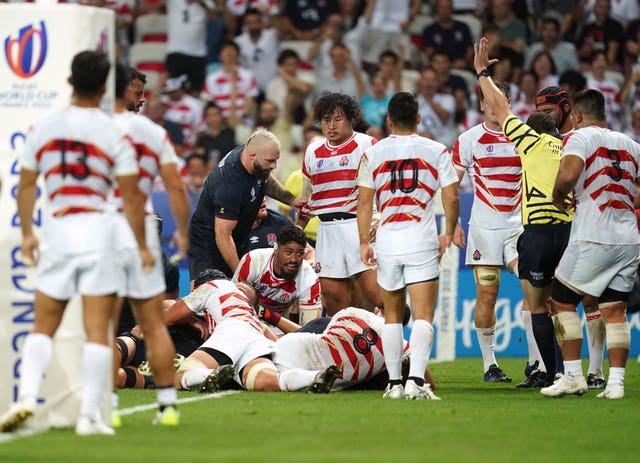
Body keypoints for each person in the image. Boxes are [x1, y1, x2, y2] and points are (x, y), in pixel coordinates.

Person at [0, 51, 150, 436]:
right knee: (98, 330)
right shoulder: (115, 130)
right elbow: (132, 197)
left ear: (69, 80)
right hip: (99, 233)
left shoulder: (44, 125)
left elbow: (28, 182)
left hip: (59, 232)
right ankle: (87, 416)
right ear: (104, 87)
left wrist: (30, 234)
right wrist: (141, 244)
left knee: (43, 324)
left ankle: (25, 399)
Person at [474, 38, 572, 388]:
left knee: (537, 305)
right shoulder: (570, 146)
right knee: (568, 305)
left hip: (538, 231)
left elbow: (501, 110)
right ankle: (579, 372)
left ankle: (552, 372)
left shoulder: (528, 142)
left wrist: (483, 73)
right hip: (571, 232)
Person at [357, 92, 459, 400]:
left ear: (388, 120)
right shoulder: (437, 150)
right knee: (423, 314)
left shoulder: (373, 153)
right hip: (421, 239)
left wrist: (364, 241)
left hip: (387, 240)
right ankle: (416, 380)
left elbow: (363, 201)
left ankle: (395, 384)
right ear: (418, 119)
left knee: (391, 315)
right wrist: (449, 232)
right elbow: (452, 197)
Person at [541, 89, 640, 399]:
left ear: (578, 115)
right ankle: (616, 384)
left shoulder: (579, 138)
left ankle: (572, 376)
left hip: (593, 234)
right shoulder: (631, 144)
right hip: (628, 238)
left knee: (561, 300)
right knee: (614, 310)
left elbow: (569, 174)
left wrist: (558, 196)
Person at [111, 64, 191, 426]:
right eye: (138, 91)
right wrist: (183, 232)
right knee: (154, 324)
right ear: (123, 89)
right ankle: (168, 406)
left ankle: (105, 408)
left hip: (106, 228)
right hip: (139, 229)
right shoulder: (152, 132)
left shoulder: (89, 127)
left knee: (101, 324)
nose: (143, 98)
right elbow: (174, 185)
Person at [535, 85, 607, 389]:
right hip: (563, 227)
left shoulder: (580, 140)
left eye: (548, 111)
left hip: (585, 226)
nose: (544, 118)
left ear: (567, 110)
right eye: (539, 112)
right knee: (553, 300)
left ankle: (593, 371)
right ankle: (552, 368)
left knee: (591, 301)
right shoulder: (543, 143)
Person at [452, 74, 522, 383]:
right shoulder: (469, 139)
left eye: (501, 101)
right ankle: (490, 364)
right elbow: (450, 185)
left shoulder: (524, 136)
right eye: (490, 101)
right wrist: (452, 221)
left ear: (507, 104)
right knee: (488, 294)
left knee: (536, 292)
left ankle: (538, 363)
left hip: (521, 227)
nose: (495, 107)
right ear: (482, 104)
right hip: (484, 229)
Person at [165, 269, 339, 393]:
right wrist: (192, 319)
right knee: (264, 380)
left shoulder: (210, 288)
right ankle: (314, 377)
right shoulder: (247, 308)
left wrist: (138, 330)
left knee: (182, 374)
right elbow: (273, 340)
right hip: (254, 337)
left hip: (230, 331)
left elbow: (168, 316)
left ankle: (210, 374)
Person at [298, 92, 382, 316]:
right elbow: (308, 197)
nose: (331, 125)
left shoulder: (368, 144)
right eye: (326, 120)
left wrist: (380, 216)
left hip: (360, 226)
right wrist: (297, 230)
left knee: (376, 295)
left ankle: (397, 347)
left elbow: (385, 186)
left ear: (351, 119)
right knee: (335, 300)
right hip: (327, 231)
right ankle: (347, 348)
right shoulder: (312, 152)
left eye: (337, 118)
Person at [188, 128, 303, 280]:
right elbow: (223, 235)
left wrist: (291, 200)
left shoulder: (253, 156)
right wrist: (241, 276)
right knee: (210, 296)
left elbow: (265, 179)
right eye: (270, 161)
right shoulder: (229, 183)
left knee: (244, 297)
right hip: (208, 246)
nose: (274, 166)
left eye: (276, 160)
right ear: (252, 155)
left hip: (238, 238)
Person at [234, 225, 321, 329]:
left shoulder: (309, 279)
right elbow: (233, 300)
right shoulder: (253, 261)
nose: (293, 259)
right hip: (248, 316)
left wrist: (267, 315)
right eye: (288, 252)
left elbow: (309, 331)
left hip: (279, 320)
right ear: (276, 249)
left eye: (299, 253)